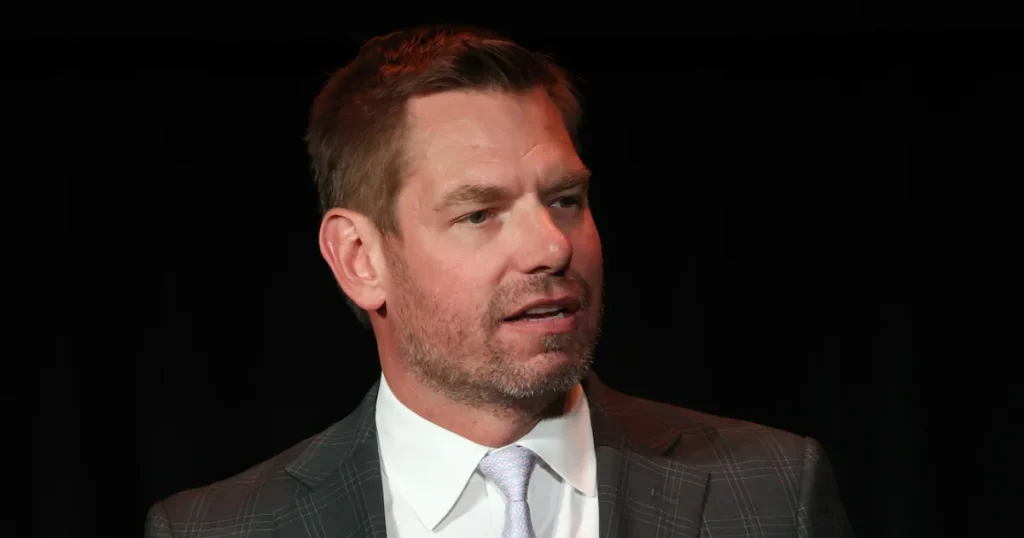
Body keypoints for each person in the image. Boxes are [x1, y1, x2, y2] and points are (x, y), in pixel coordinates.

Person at [145, 25, 855, 538]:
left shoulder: (771, 494)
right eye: (480, 213)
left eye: (565, 200)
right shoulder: (220, 528)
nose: (552, 246)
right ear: (360, 258)